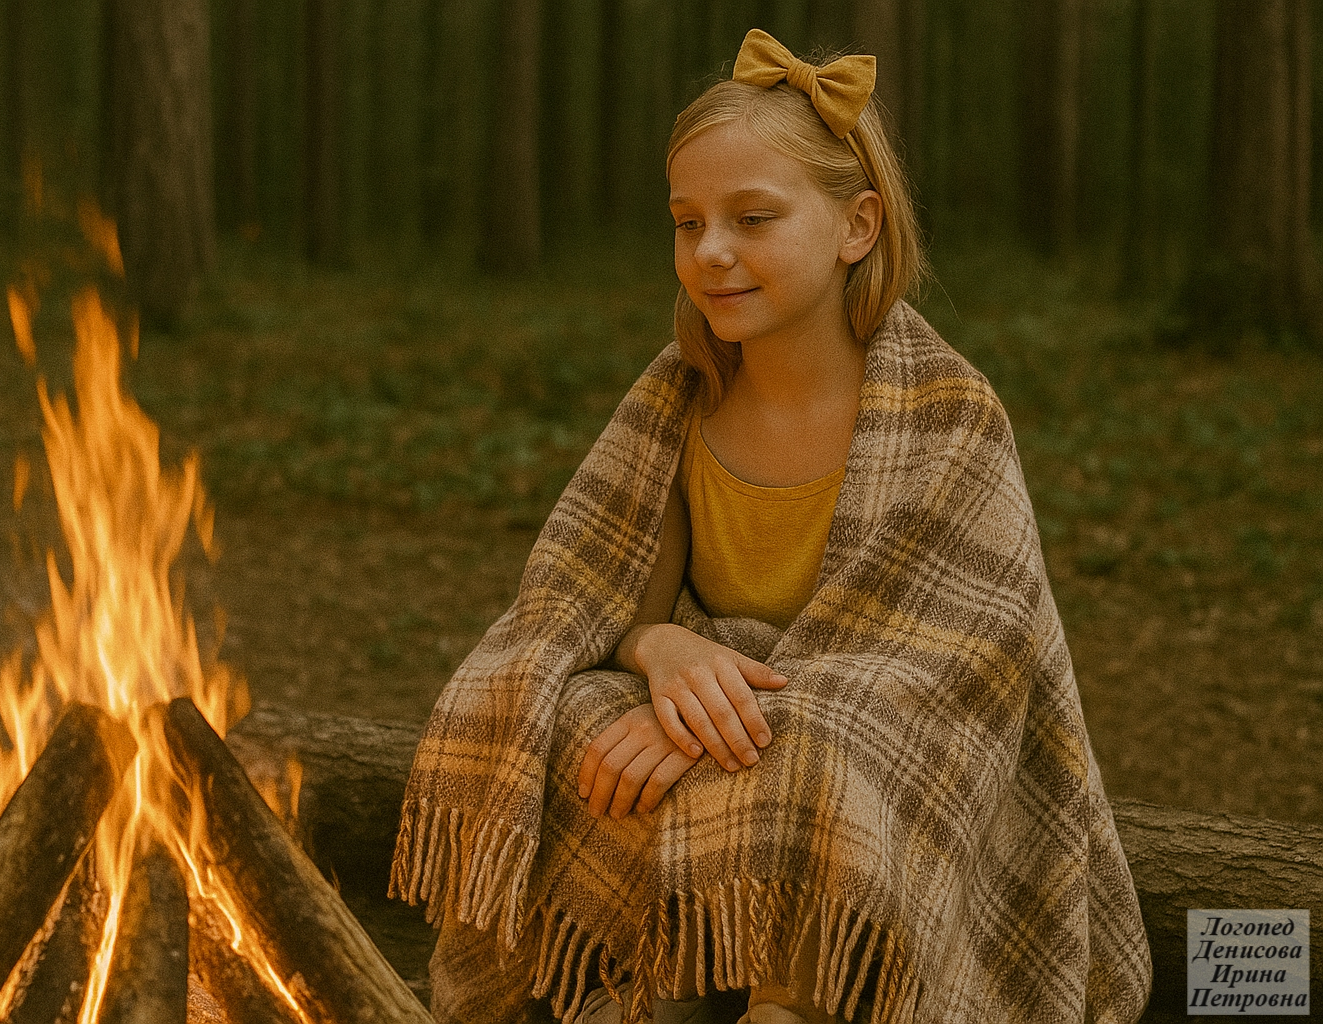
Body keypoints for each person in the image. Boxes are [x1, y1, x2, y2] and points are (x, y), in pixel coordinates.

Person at [392, 29, 1151, 1024]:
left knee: (822, 752)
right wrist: (663, 652)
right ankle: (647, 984)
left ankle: (793, 1002)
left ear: (857, 225)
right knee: (568, 718)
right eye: (687, 222)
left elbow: (949, 679)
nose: (711, 251)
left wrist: (719, 724)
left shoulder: (949, 418)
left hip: (872, 760)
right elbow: (592, 605)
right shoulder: (679, 402)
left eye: (752, 217)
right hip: (735, 742)